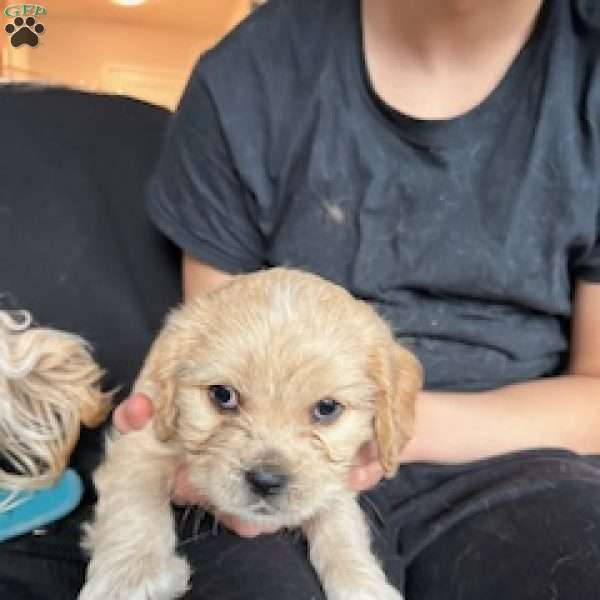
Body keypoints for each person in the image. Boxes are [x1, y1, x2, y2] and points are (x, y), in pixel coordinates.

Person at [115, 0, 600, 598]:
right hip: (266, 488)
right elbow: (210, 341)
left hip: (530, 451)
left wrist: (385, 432)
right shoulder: (250, 70)